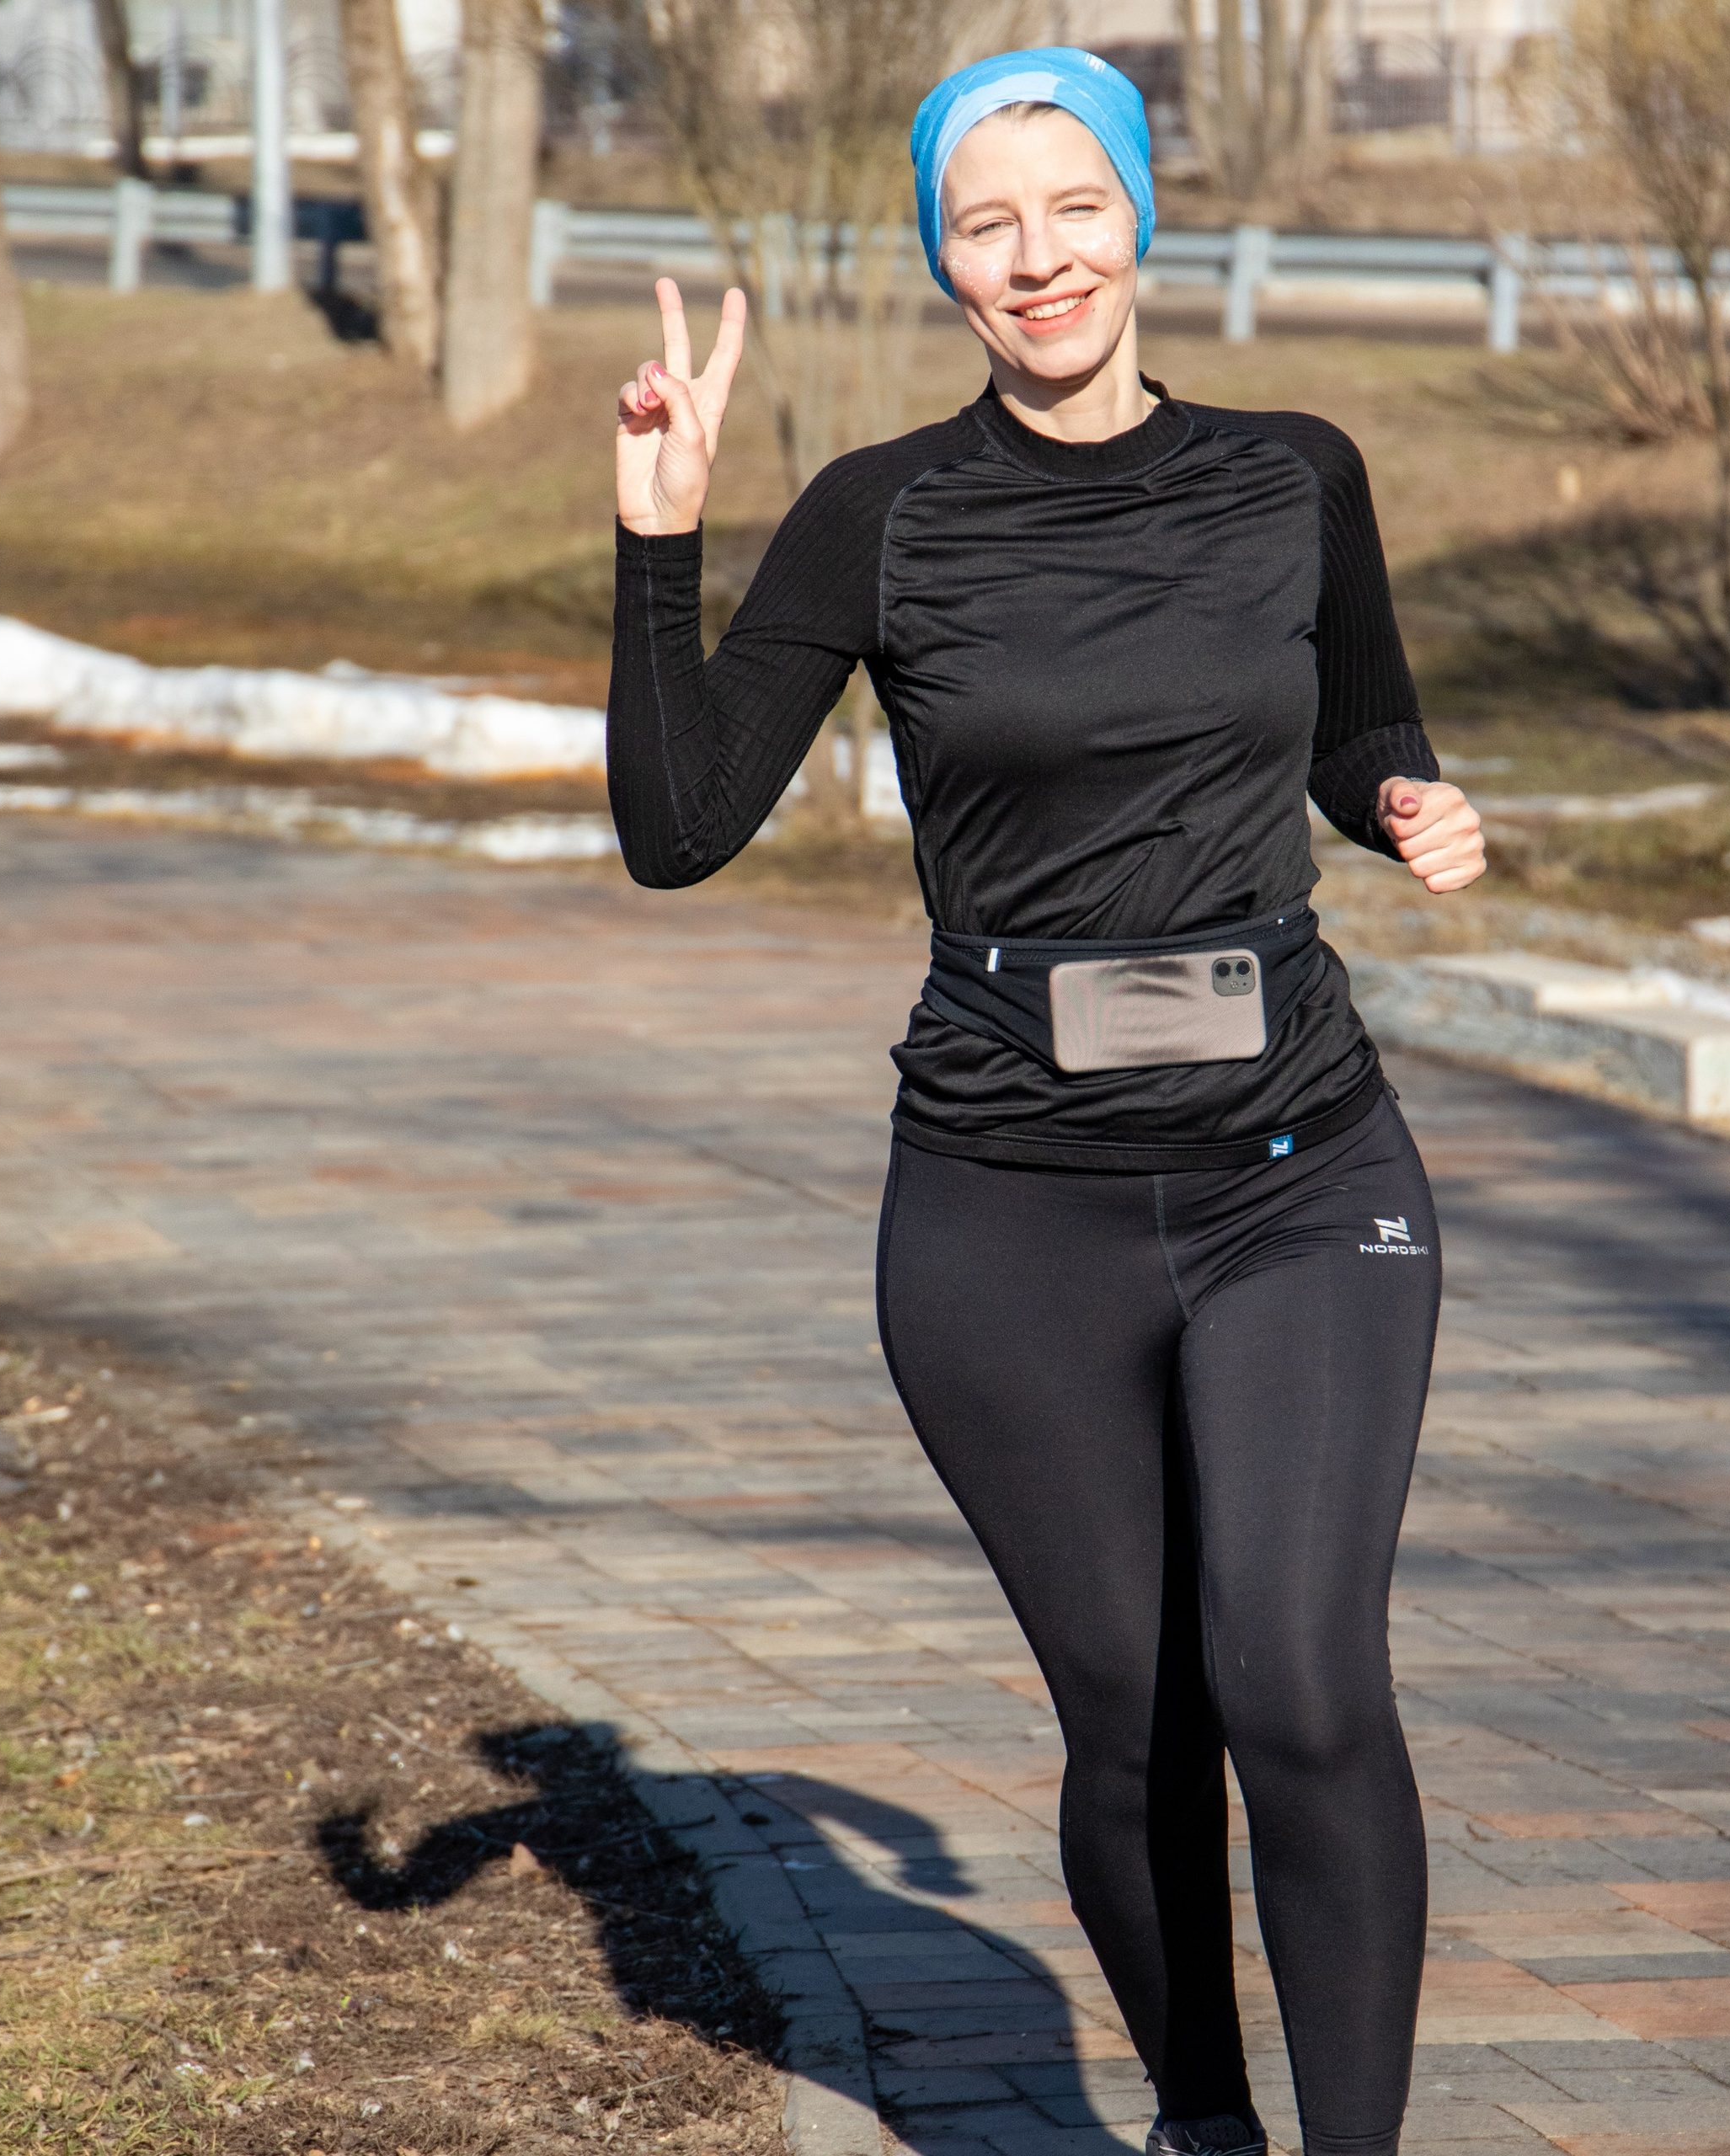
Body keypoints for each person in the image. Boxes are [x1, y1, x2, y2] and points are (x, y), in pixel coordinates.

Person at [606, 46, 1486, 2156]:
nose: (1036, 255)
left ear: (1136, 216)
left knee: (1295, 1684)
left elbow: (1353, 703)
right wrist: (657, 545)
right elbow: (678, 824)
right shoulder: (881, 516)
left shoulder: (1296, 467)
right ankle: (1201, 2121)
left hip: (1299, 1165)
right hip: (1008, 1207)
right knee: (1134, 1716)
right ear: (942, 258)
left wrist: (1393, 795)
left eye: (1069, 204)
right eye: (985, 222)